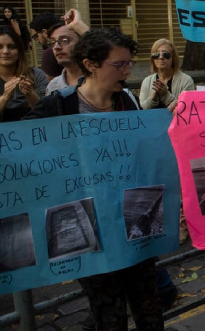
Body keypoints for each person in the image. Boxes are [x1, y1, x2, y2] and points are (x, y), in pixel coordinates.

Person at [24, 27, 163, 331]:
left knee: (150, 312)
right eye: (119, 64)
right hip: (87, 230)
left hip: (133, 223)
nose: (127, 70)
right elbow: (20, 148)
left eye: (129, 63)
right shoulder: (58, 106)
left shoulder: (127, 101)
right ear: (90, 65)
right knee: (108, 318)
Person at [0, 28, 47, 122]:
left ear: (20, 50)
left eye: (11, 47)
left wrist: (30, 93)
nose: (5, 51)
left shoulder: (36, 74)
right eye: (0, 47)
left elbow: (45, 113)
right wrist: (5, 97)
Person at [139, 39, 195, 110]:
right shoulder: (147, 81)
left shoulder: (186, 81)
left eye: (166, 54)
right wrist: (153, 98)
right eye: (156, 54)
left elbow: (186, 107)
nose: (161, 57)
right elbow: (143, 109)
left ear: (173, 58)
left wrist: (166, 95)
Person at [46, 9, 90, 94]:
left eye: (65, 40)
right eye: (52, 42)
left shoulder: (100, 79)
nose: (56, 47)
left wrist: (79, 26)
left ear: (81, 43)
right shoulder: (53, 87)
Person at [29, 11, 63, 79]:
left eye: (36, 36)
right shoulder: (71, 46)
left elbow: (49, 86)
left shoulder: (49, 53)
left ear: (44, 32)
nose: (37, 40)